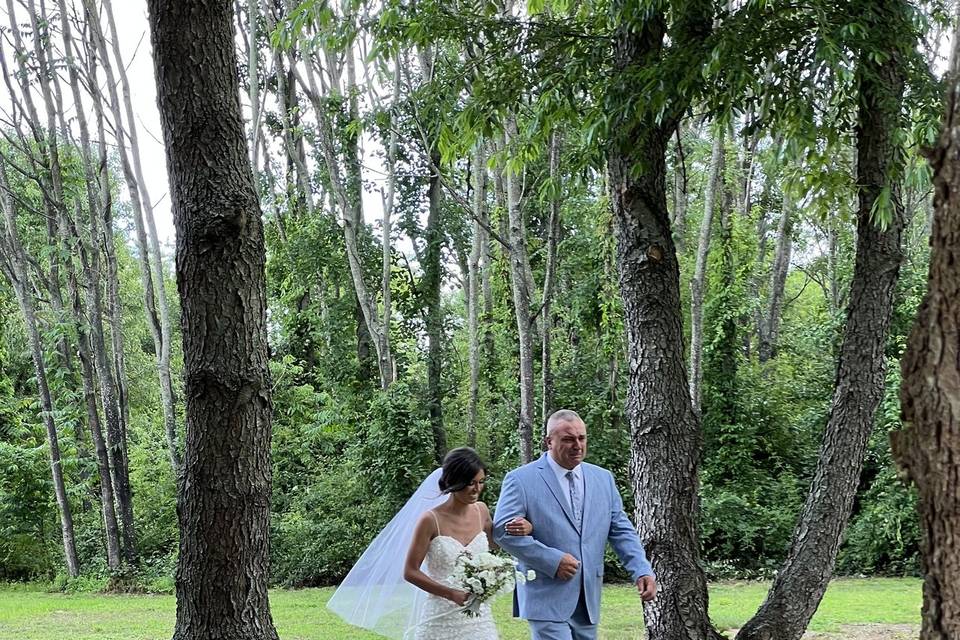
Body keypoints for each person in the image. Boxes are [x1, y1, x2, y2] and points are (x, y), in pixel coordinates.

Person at [327, 447, 531, 640]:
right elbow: (410, 571)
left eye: (481, 482)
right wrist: (451, 593)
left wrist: (525, 529)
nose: (477, 489)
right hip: (440, 612)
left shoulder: (482, 511)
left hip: (478, 616)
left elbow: (495, 545)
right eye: (470, 483)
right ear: (454, 481)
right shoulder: (430, 520)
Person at [494, 409, 656, 640]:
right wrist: (552, 560)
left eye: (581, 438)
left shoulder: (603, 478)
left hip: (588, 595)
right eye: (568, 439)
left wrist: (641, 568)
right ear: (549, 441)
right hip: (545, 592)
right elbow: (503, 531)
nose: (577, 445)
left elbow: (621, 530)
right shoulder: (521, 479)